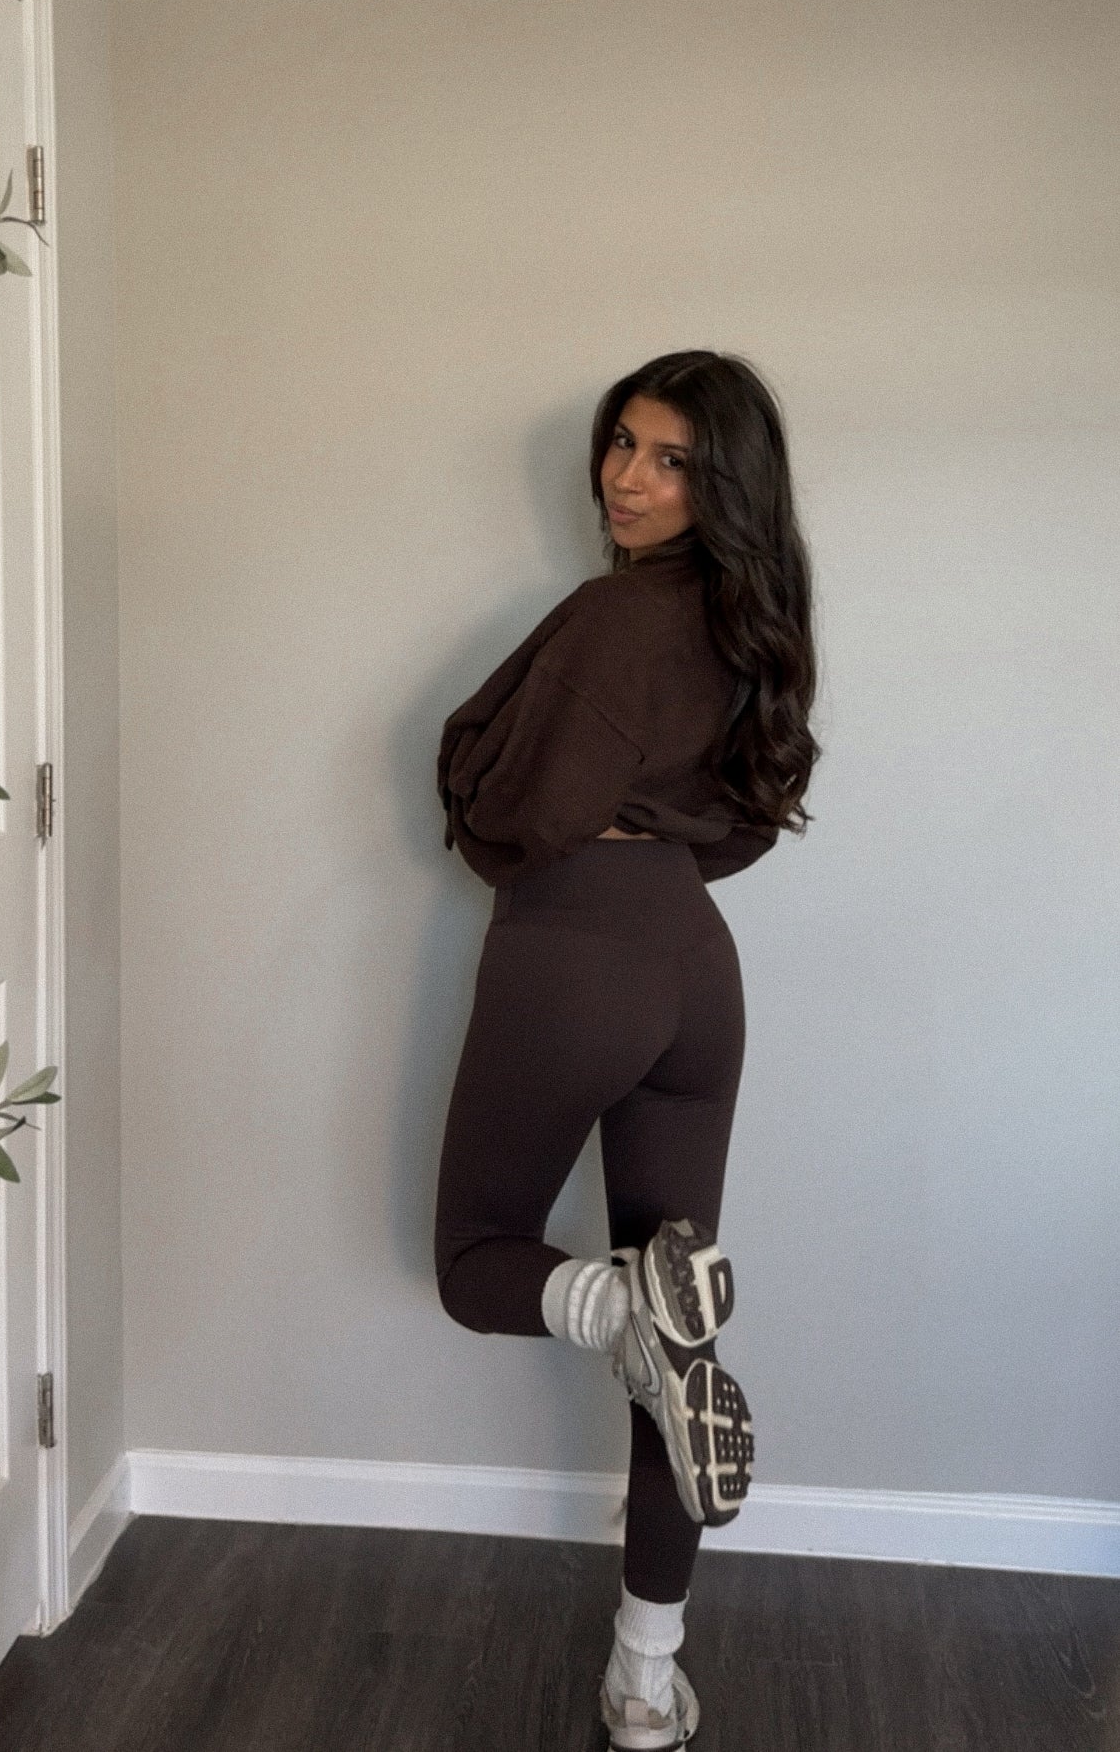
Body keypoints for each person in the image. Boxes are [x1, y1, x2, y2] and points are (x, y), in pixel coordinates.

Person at [433, 349, 820, 1751]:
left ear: (724, 486)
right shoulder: (751, 625)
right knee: (684, 1332)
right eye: (621, 443)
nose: (626, 478)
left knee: (476, 1260)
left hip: (576, 956)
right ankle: (645, 1680)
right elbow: (746, 815)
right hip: (694, 970)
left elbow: (508, 801)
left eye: (669, 460)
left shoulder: (612, 616)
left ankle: (623, 1315)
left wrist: (482, 800)